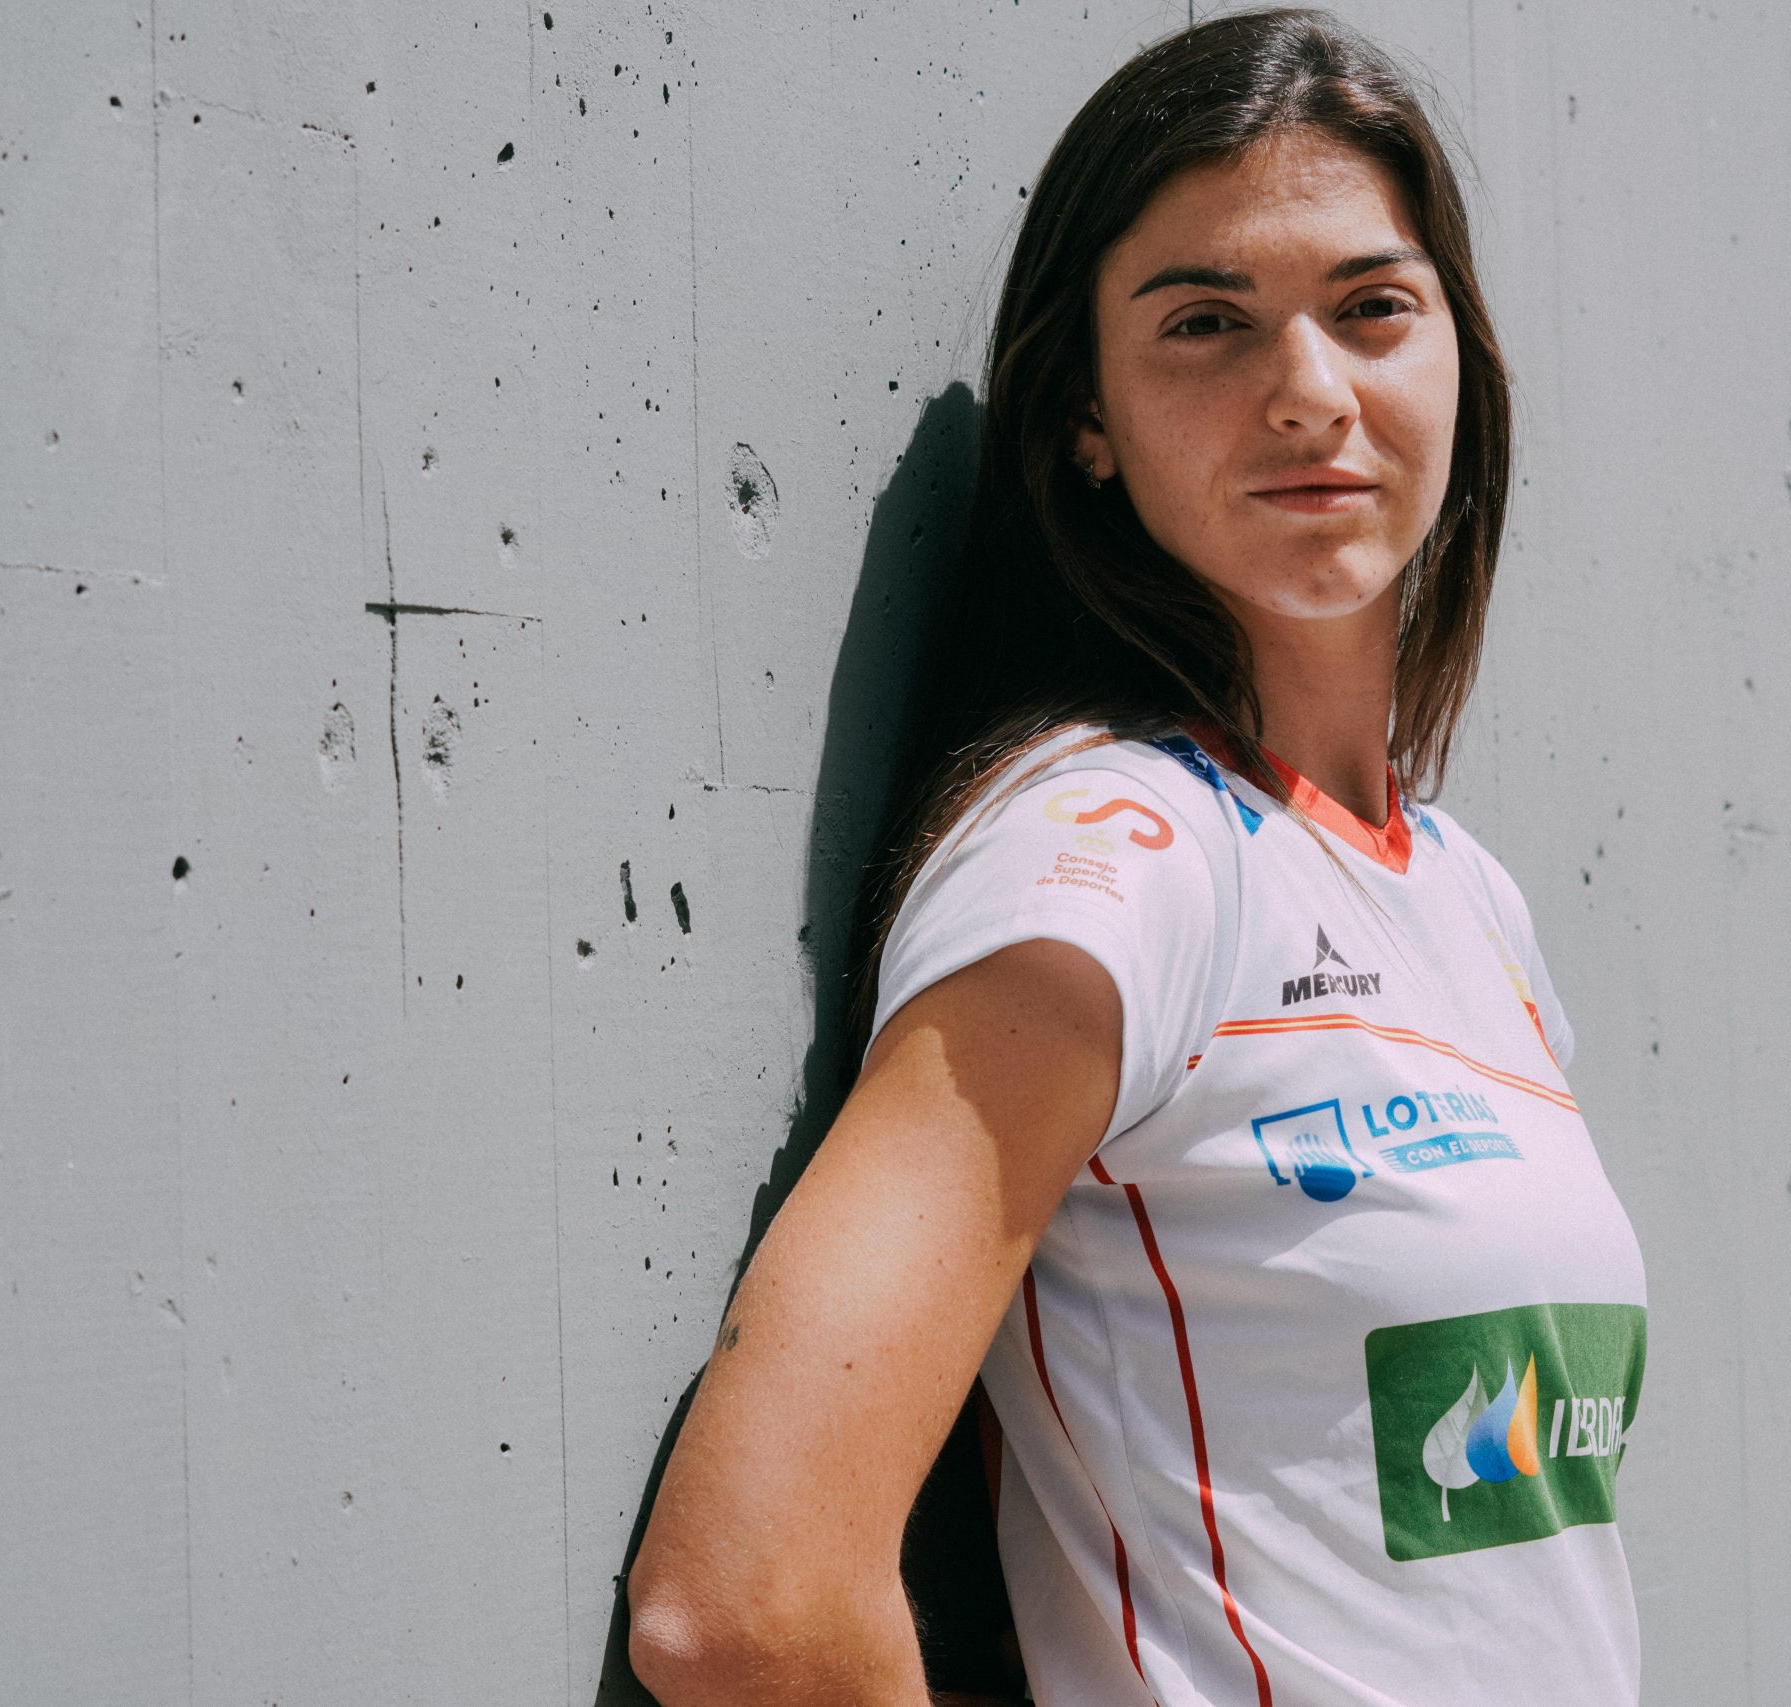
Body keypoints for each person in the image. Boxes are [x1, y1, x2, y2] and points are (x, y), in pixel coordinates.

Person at [624, 11, 1649, 1705]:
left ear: (1458, 360)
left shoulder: (1468, 897)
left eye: (1373, 308)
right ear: (1085, 420)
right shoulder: (1110, 859)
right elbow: (748, 1606)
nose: (1309, 391)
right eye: (1205, 324)